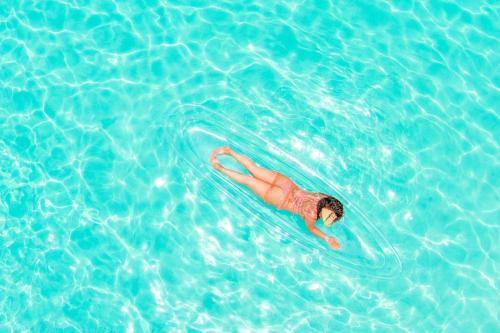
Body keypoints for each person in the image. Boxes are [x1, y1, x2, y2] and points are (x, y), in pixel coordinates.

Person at [210, 146, 344, 249]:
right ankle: (219, 167)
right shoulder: (312, 214)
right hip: (282, 199)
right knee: (248, 181)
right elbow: (312, 228)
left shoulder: (321, 196)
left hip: (287, 184)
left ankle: (229, 151)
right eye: (332, 217)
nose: (330, 220)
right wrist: (327, 238)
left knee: (253, 169)